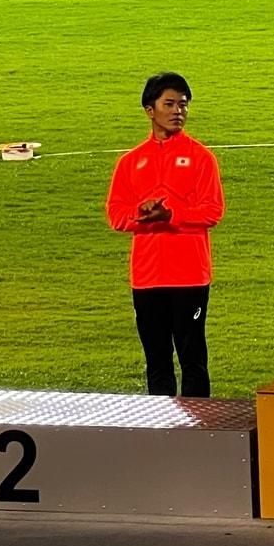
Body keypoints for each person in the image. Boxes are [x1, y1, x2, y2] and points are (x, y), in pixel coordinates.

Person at [106, 72, 225, 398]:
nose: (178, 112)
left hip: (190, 277)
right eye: (169, 104)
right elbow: (116, 215)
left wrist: (171, 215)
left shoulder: (201, 158)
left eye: (183, 105)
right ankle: (162, 422)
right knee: (156, 360)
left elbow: (213, 211)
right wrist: (142, 215)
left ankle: (199, 422)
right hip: (147, 278)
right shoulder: (130, 162)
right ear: (150, 110)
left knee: (192, 358)